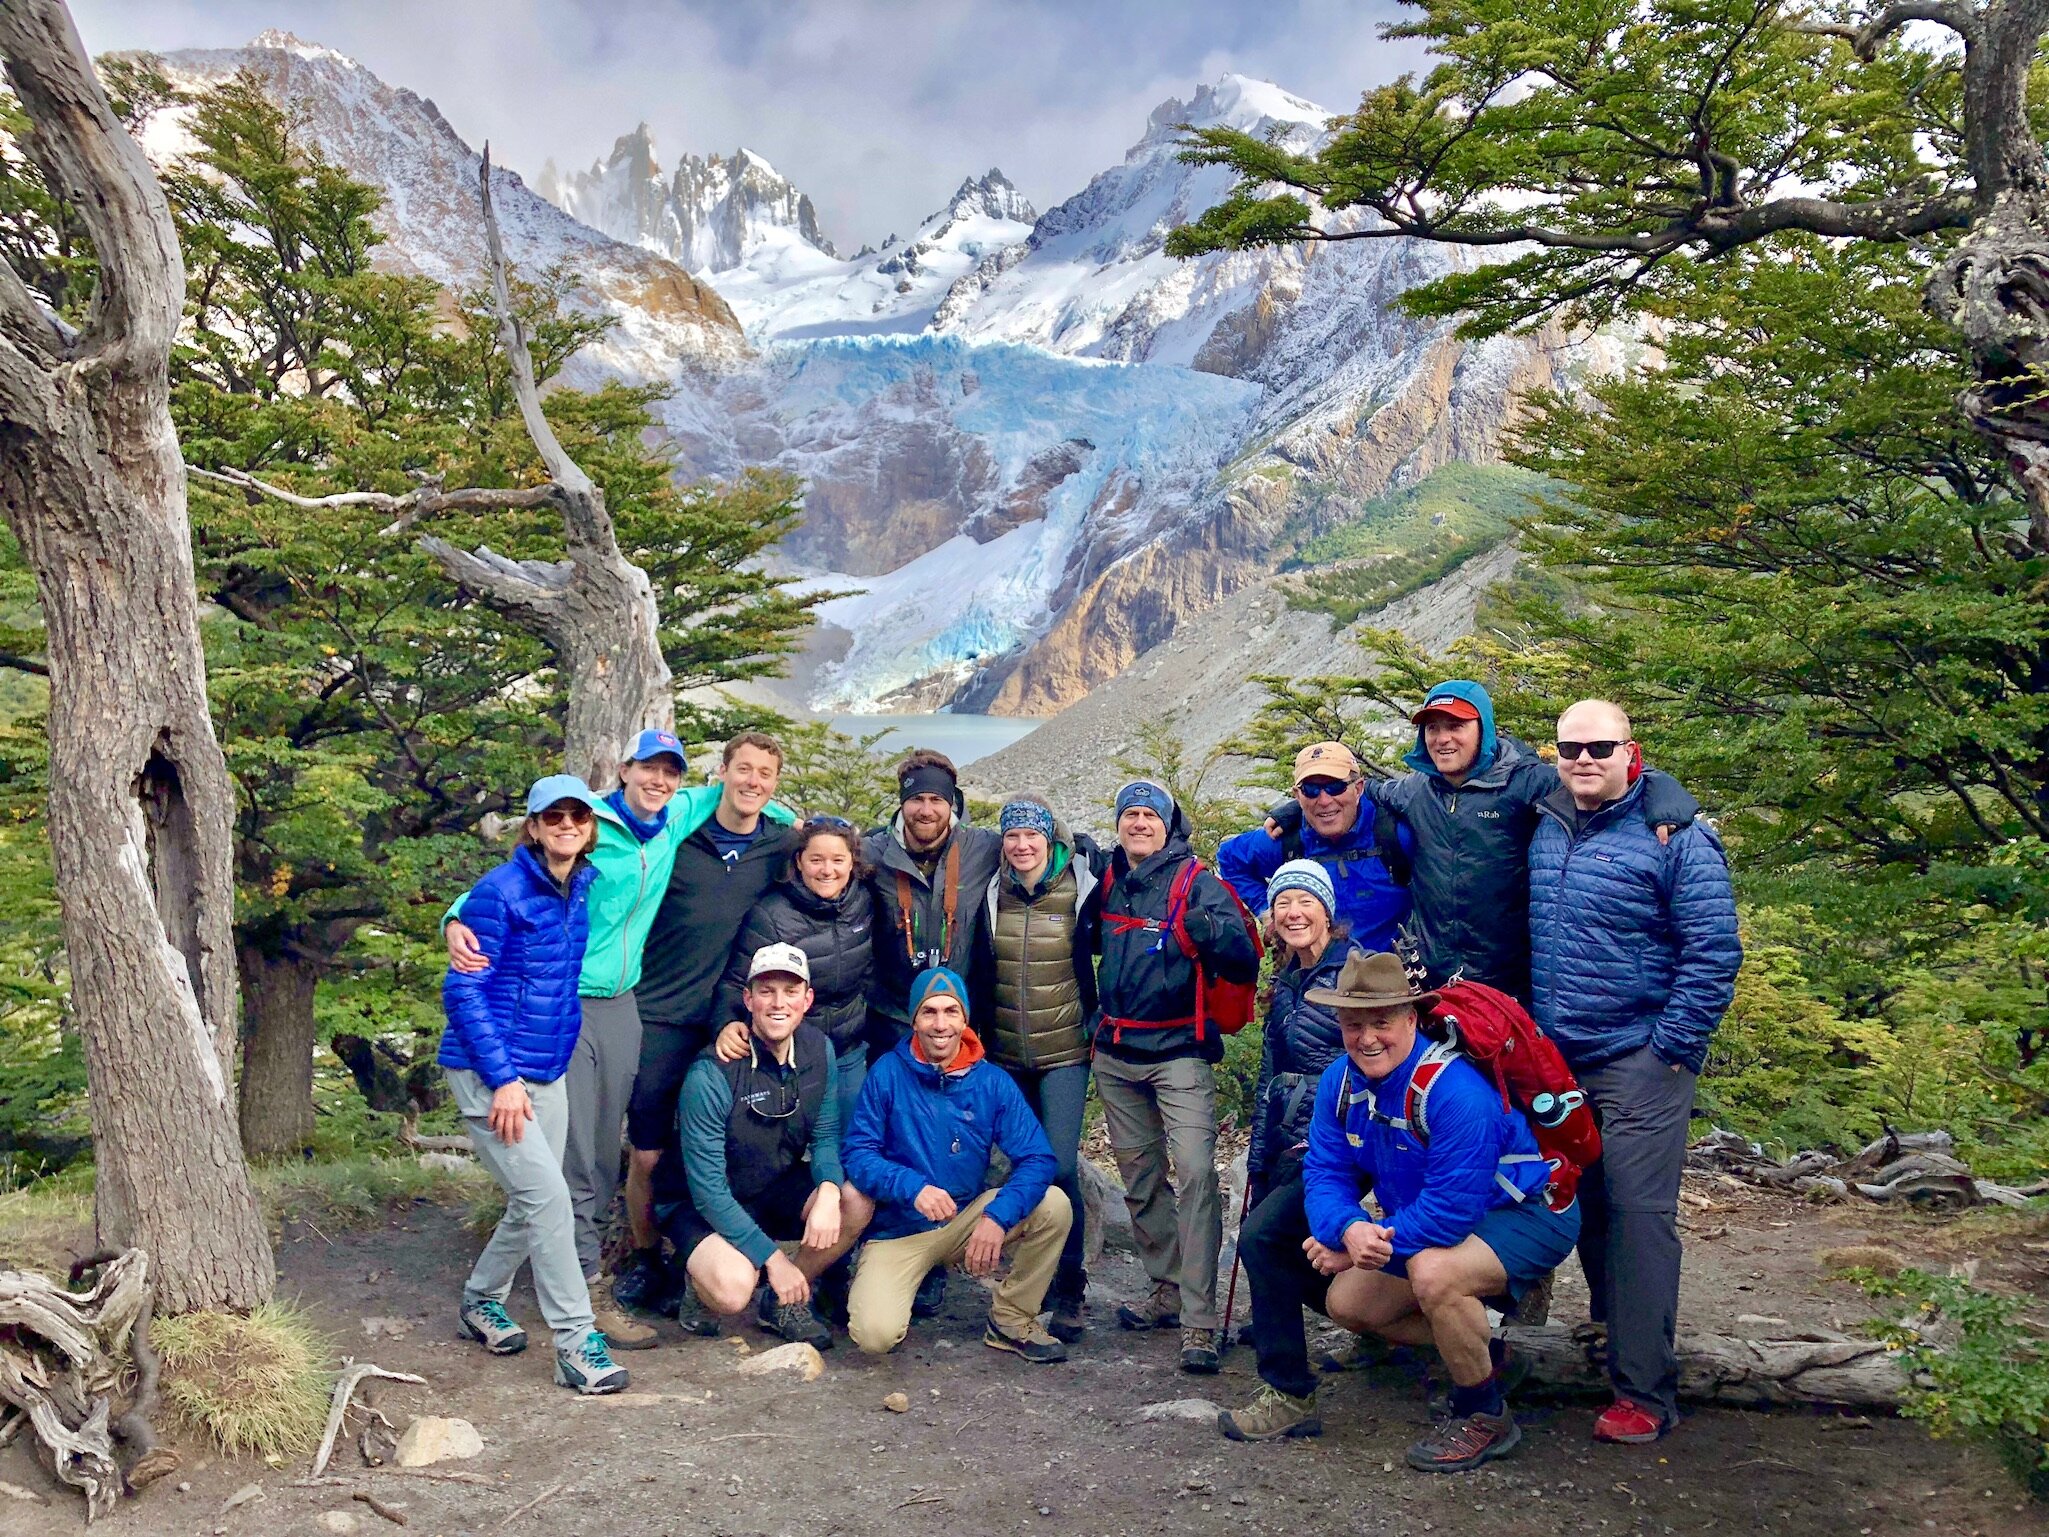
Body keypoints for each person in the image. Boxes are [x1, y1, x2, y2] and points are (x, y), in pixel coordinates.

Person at [441, 728, 764, 1349]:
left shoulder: (679, 812)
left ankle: (503, 1289)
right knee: (577, 1159)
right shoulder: (588, 822)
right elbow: (503, 888)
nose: (660, 782)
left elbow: (742, 796)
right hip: (567, 1003)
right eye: (648, 770)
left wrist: (791, 817)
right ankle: (583, 1289)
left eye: (671, 772)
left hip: (622, 1002)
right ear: (624, 771)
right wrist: (454, 916)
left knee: (600, 1144)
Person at [1218, 951, 1579, 1473]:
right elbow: (1325, 1171)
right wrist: (1345, 1228)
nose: (1367, 1038)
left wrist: (1364, 1245)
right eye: (1353, 1023)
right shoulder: (1340, 1082)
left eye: (1382, 1022)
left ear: (1411, 1019)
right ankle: (1492, 1356)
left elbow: (1450, 1214)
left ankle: (1483, 1413)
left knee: (1434, 1274)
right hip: (1447, 1215)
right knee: (1349, 1306)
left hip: (1529, 1212)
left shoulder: (1454, 1091)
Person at [1529, 698, 1741, 1445]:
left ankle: (1644, 1392)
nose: (1582, 758)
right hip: (1560, 1059)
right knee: (1585, 1201)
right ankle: (1612, 1338)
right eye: (1568, 746)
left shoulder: (1677, 835)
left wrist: (1670, 1050)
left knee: (1637, 1215)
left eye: (1599, 746)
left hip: (1639, 1054)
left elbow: (1713, 952)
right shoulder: (1546, 817)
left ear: (1632, 753)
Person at [439, 774, 628, 1395]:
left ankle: (480, 1300)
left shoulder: (581, 886)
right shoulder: (500, 892)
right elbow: (462, 989)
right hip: (491, 1074)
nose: (567, 825)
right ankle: (576, 1344)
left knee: (533, 1199)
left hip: (545, 1070)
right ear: (534, 827)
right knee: (548, 1199)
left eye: (578, 816)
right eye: (554, 817)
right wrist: (503, 1081)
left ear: (591, 827)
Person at [616, 731, 799, 1320]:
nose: (753, 783)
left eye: (765, 775)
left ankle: (710, 1256)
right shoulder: (678, 833)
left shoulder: (780, 841)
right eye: (743, 770)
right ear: (722, 772)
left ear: (775, 784)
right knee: (647, 1151)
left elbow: (832, 859)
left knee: (728, 1142)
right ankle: (647, 1258)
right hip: (660, 1012)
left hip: (731, 1017)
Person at [1081, 779, 1262, 1374]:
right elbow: (1078, 949)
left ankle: (1200, 1319)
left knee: (1194, 1174)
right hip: (1116, 1050)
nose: (1138, 824)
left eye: (1148, 815)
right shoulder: (1106, 881)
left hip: (1179, 1052)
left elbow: (1243, 960)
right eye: (1128, 814)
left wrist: (1212, 932)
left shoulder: (1196, 882)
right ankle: (1164, 1288)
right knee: (1139, 1177)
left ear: (1168, 824)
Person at [841, 967, 1073, 1363]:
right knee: (874, 1336)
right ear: (913, 1019)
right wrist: (912, 1188)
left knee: (1054, 1205)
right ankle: (895, 1284)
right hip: (900, 1231)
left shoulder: (991, 1082)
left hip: (965, 1219)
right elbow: (858, 1154)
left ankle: (1011, 1319)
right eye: (929, 1012)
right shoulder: (887, 1073)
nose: (940, 1024)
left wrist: (998, 1217)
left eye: (951, 1012)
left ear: (965, 1019)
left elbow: (1037, 1157)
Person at [861, 749, 1005, 1320]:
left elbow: (1039, 839)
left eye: (937, 799)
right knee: (899, 1138)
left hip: (950, 1020)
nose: (927, 809)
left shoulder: (980, 849)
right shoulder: (871, 853)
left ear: (954, 803)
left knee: (951, 1135)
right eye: (917, 798)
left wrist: (1080, 844)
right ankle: (899, 1249)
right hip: (889, 1015)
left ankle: (938, 1251)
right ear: (903, 802)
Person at [671, 943, 870, 1348]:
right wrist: (775, 1260)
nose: (779, 1003)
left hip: (772, 1182)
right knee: (732, 1290)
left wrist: (830, 1189)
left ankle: (781, 1303)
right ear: (748, 999)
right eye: (766, 991)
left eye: (791, 991)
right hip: (702, 1200)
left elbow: (826, 1136)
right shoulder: (710, 1075)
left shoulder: (819, 1049)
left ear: (807, 999)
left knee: (855, 1201)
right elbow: (708, 1191)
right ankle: (697, 1284)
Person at [975, 794, 1099, 1341]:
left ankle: (1069, 1287)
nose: (1023, 846)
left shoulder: (1082, 884)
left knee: (1060, 1165)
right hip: (1005, 1053)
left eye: (1033, 836)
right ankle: (1033, 1283)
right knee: (1026, 1165)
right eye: (1013, 836)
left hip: (1066, 1052)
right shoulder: (989, 890)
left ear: (1052, 839)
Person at [714, 816, 882, 1128]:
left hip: (848, 1050)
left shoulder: (863, 902)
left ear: (852, 863)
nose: (827, 870)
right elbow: (737, 981)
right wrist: (726, 1023)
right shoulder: (772, 915)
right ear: (799, 862)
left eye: (837, 860)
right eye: (816, 859)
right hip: (789, 1054)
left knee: (849, 1142)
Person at [1217, 742, 1411, 952]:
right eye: (1311, 790)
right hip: (1315, 977)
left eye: (1335, 786)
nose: (1325, 800)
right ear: (1297, 795)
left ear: (1358, 789)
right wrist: (1270, 913)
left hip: (1391, 974)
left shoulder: (1393, 834)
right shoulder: (1289, 840)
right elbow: (1230, 857)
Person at [1246, 859, 1360, 1212]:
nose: (1294, 913)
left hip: (1335, 1140)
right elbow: (1270, 1076)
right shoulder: (1284, 983)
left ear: (1327, 913)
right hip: (1286, 1138)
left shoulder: (1356, 972)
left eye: (1306, 901)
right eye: (1283, 903)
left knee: (1264, 1237)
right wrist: (1257, 1162)